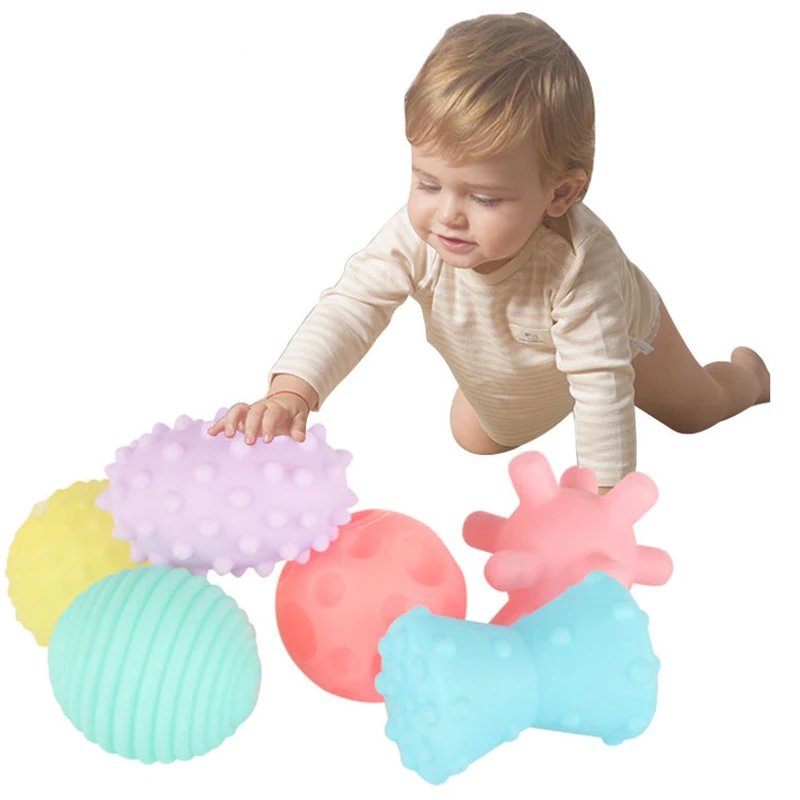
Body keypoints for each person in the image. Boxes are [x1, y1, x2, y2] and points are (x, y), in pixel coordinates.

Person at [208, 12, 769, 494]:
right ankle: (531, 382)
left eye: (484, 198)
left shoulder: (580, 267)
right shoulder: (415, 236)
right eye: (428, 183)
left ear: (559, 194)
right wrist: (291, 391)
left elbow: (603, 392)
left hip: (622, 340)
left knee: (696, 412)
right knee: (473, 437)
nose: (448, 215)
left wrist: (600, 512)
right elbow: (352, 305)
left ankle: (751, 379)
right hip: (524, 357)